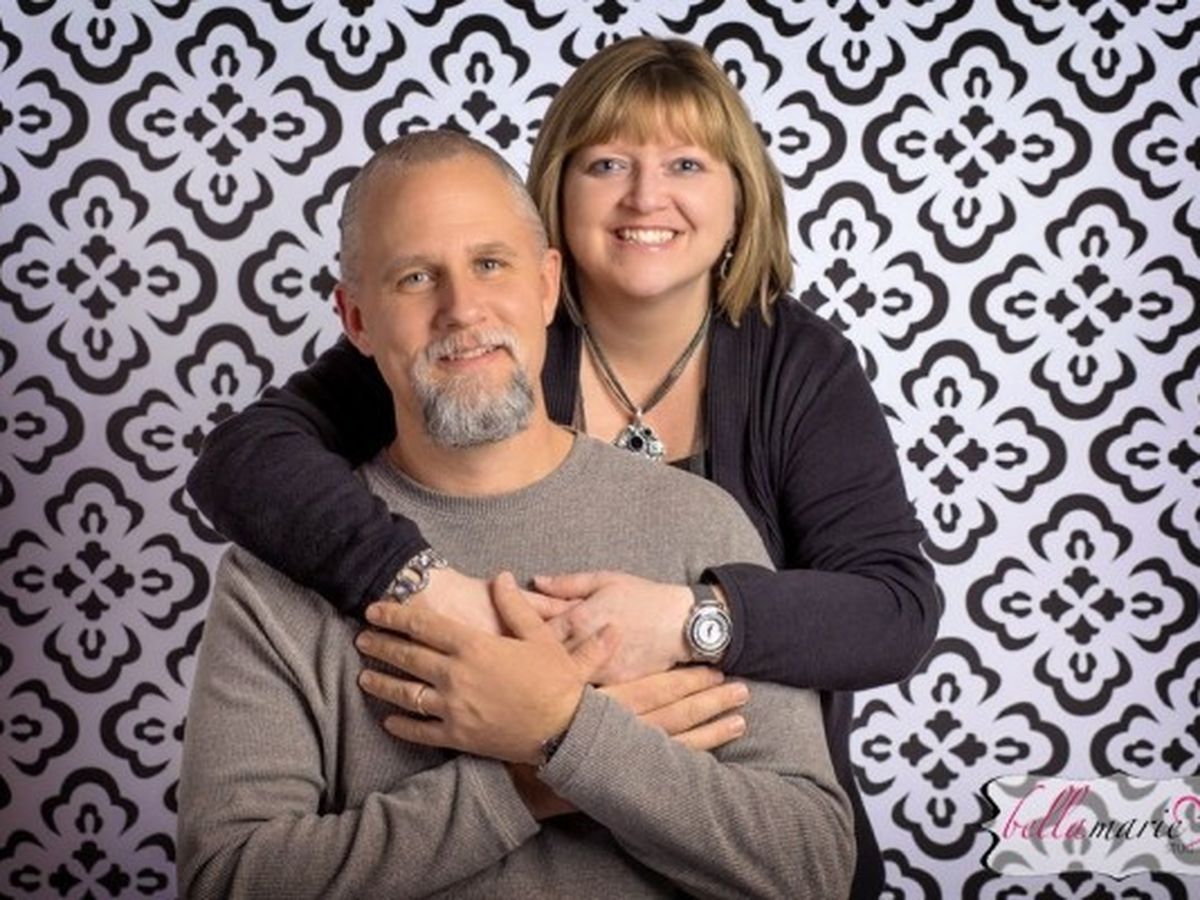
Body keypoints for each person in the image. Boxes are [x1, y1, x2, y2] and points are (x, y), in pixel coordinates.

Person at [187, 37, 938, 897]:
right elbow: (244, 459)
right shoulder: (463, 344)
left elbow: (894, 611)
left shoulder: (784, 386)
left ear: (741, 199)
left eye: (687, 163)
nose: (645, 196)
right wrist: (422, 588)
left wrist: (685, 622)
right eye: (607, 163)